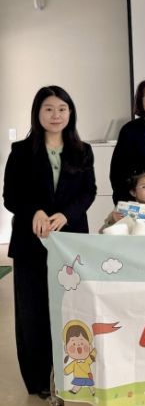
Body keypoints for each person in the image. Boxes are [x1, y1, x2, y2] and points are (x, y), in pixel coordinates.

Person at [3, 86, 96, 400]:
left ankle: (73, 374)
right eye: (49, 109)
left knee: (70, 308)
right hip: (31, 244)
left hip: (70, 243)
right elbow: (10, 195)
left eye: (62, 109)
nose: (56, 115)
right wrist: (35, 211)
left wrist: (66, 215)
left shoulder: (82, 150)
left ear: (70, 113)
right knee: (32, 312)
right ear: (37, 113)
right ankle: (39, 380)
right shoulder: (20, 151)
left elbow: (88, 192)